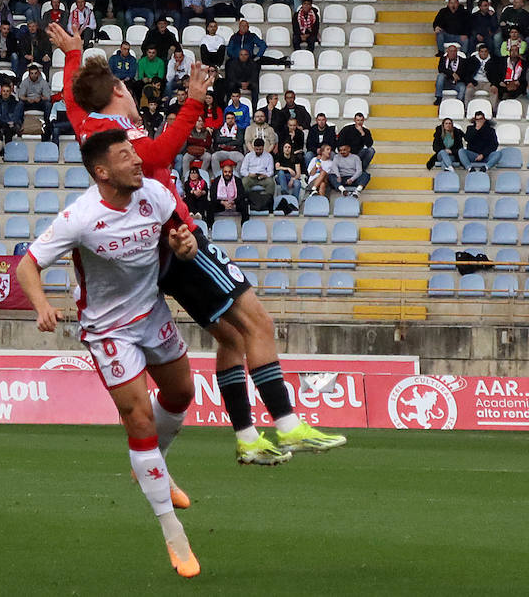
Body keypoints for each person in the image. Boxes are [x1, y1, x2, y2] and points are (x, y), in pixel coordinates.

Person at [49, 23, 343, 462]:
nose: (131, 92)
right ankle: (287, 424)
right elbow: (160, 154)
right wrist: (192, 102)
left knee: (231, 338)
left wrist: (74, 55)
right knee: (259, 322)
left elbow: (74, 100)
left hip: (158, 250)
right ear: (116, 94)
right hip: (181, 241)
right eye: (124, 87)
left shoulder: (88, 122)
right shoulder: (117, 131)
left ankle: (247, 438)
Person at [16, 130, 202, 578]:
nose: (138, 160)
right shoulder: (80, 217)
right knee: (137, 418)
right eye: (126, 156)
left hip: (152, 313)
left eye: (134, 152)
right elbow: (27, 264)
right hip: (108, 331)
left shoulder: (154, 194)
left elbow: (182, 233)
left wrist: (184, 244)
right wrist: (42, 304)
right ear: (102, 172)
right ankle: (174, 536)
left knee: (182, 395)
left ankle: (151, 462)